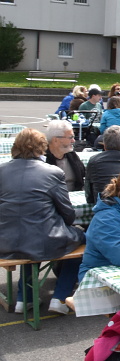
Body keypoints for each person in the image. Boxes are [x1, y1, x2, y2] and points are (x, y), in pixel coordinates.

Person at [0, 128, 86, 315]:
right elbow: (68, 214)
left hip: (6, 240)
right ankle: (61, 296)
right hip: (42, 239)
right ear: (42, 147)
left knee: (29, 239)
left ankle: (25, 297)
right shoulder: (52, 172)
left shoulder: (2, 171)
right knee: (83, 239)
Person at [44, 120, 85, 192]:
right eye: (70, 137)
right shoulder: (42, 160)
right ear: (56, 140)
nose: (73, 141)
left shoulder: (72, 155)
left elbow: (83, 176)